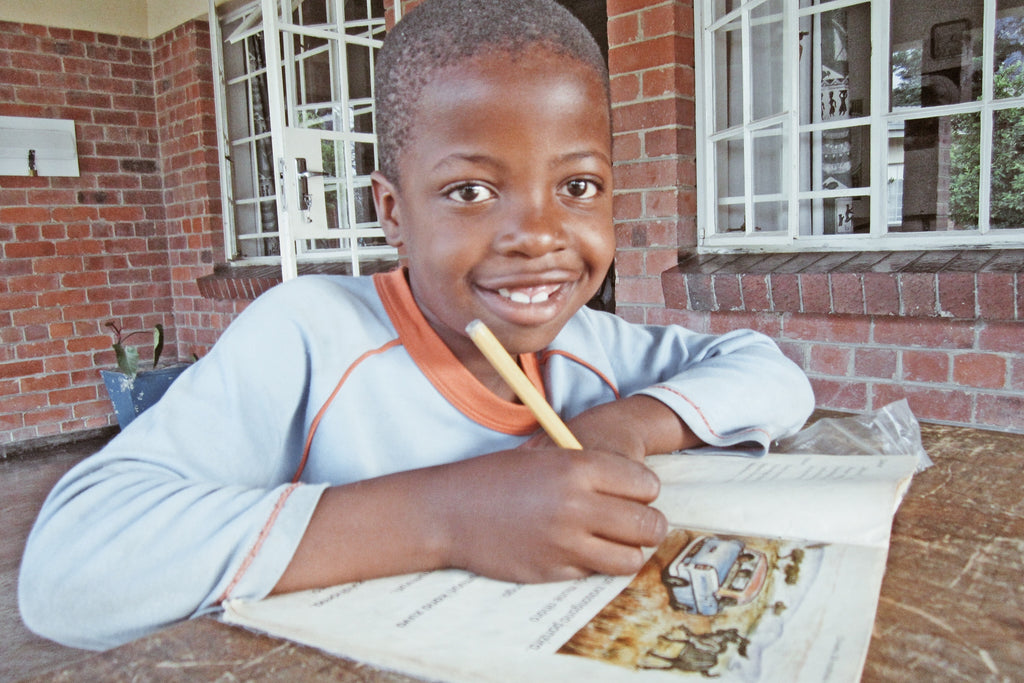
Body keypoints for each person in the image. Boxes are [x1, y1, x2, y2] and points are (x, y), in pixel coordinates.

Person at [19, 0, 814, 651]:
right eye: (470, 192)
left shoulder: (587, 350)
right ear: (393, 212)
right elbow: (68, 570)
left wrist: (628, 425)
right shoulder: (309, 336)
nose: (537, 234)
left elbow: (772, 373)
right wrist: (450, 516)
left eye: (578, 184)